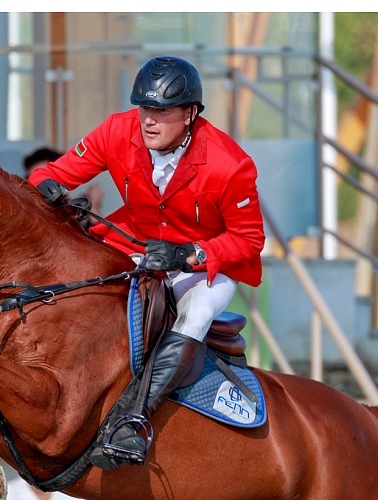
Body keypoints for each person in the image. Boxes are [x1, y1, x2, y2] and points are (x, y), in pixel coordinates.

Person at [28, 56, 265, 467]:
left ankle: (131, 420)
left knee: (195, 312)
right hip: (136, 240)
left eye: (163, 111)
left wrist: (189, 254)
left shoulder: (230, 164)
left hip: (207, 261)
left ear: (190, 113)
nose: (149, 121)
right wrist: (46, 188)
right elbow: (53, 173)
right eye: (145, 108)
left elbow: (249, 239)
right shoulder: (117, 130)